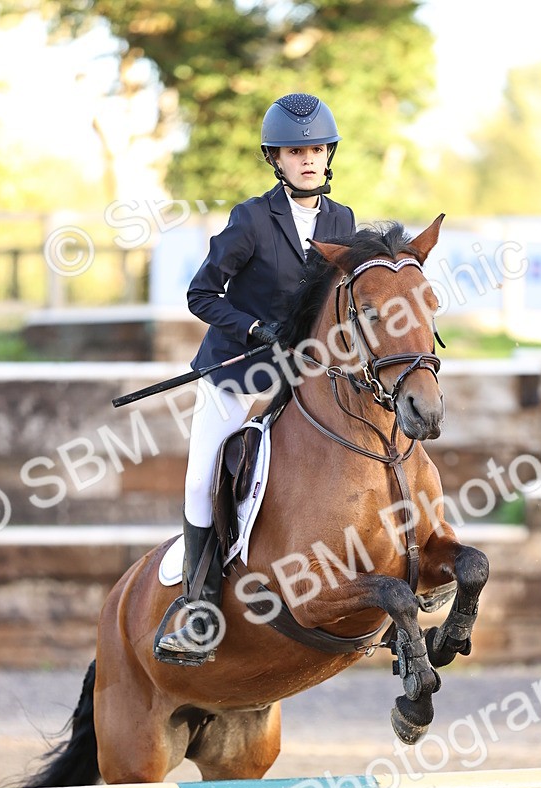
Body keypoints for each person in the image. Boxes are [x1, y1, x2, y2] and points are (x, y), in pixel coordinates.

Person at [155, 93, 356, 665]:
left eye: (317, 150)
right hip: (237, 374)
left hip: (301, 376)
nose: (309, 160)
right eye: (297, 152)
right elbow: (200, 294)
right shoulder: (250, 219)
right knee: (202, 481)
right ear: (277, 159)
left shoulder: (342, 222)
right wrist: (253, 329)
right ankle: (198, 607)